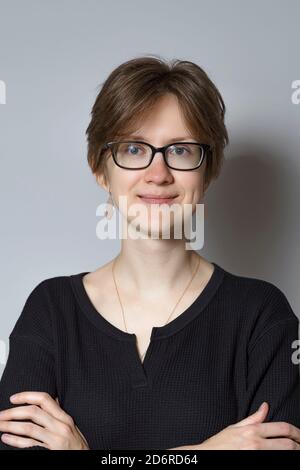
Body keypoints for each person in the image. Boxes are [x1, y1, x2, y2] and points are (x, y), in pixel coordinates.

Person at [0, 56, 299, 451]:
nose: (158, 174)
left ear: (209, 171)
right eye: (133, 148)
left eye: (180, 150)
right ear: (99, 168)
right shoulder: (51, 312)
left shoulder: (263, 316)